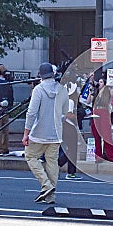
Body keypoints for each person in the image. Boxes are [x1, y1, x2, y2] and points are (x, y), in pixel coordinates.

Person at [22, 63, 69, 204]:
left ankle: (46, 185)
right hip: (55, 133)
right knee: (52, 163)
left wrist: (26, 133)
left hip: (39, 132)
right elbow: (65, 112)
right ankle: (50, 196)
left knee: (31, 156)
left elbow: (31, 113)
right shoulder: (62, 89)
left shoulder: (38, 89)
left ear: (40, 75)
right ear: (53, 74)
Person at [87, 75, 113, 163]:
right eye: (99, 82)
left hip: (104, 112)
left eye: (101, 82)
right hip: (95, 112)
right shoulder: (95, 92)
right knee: (96, 136)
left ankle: (111, 156)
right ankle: (98, 157)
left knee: (107, 135)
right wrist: (90, 91)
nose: (99, 83)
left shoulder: (108, 92)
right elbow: (88, 101)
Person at [59, 82, 82, 180]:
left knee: (69, 149)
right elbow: (69, 115)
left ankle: (59, 165)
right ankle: (69, 171)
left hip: (64, 126)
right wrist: (79, 116)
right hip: (69, 126)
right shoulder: (70, 101)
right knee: (72, 150)